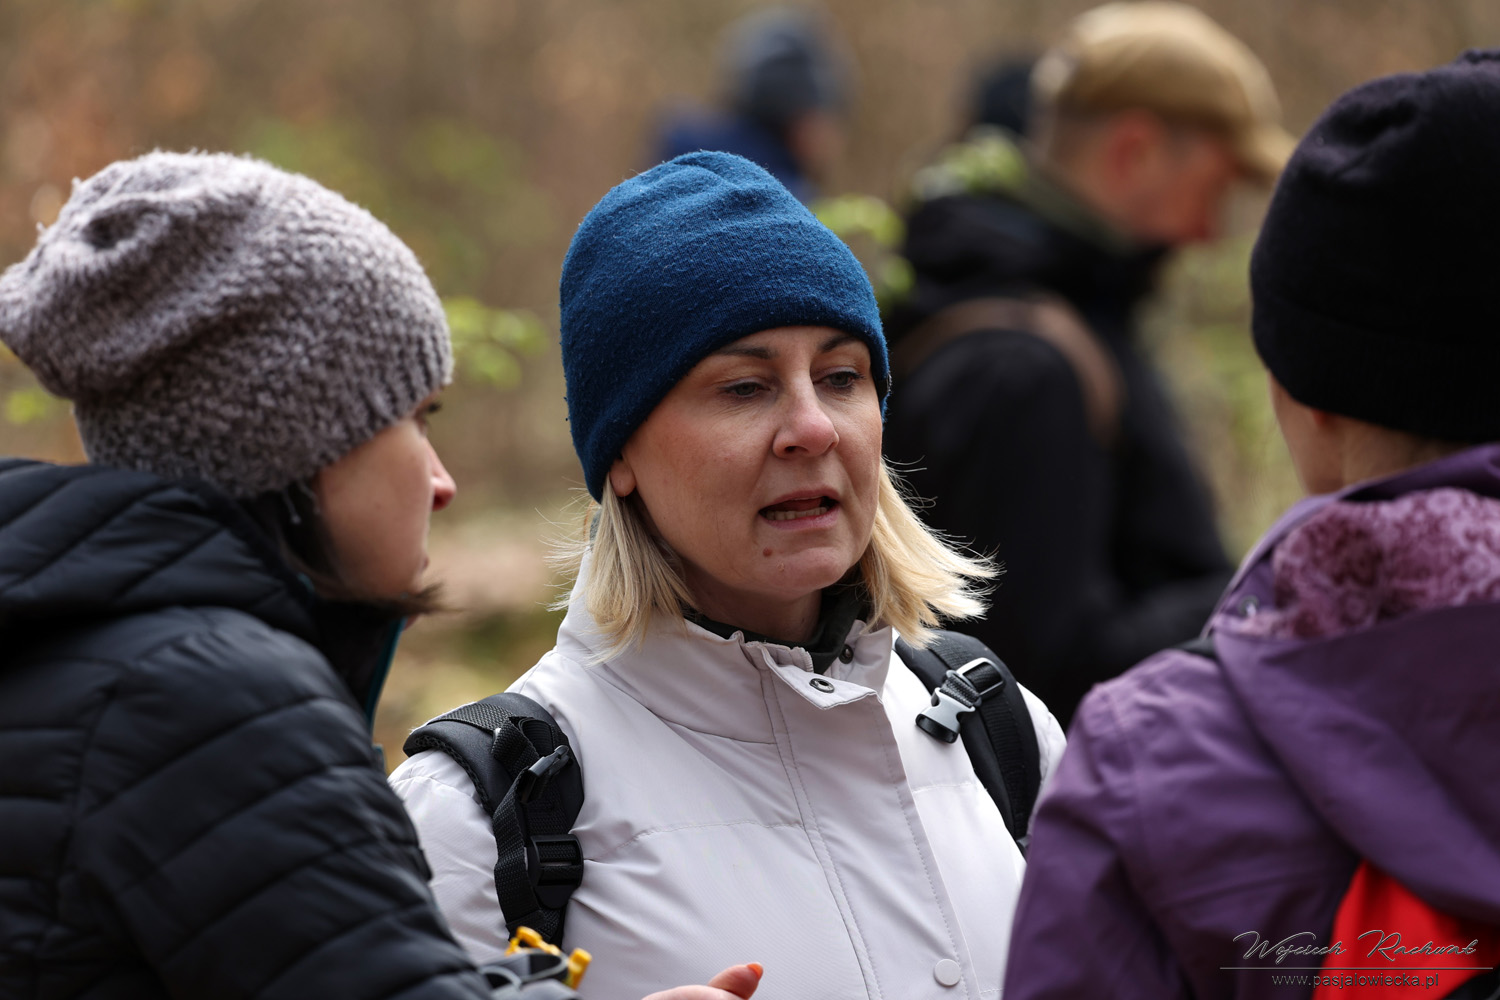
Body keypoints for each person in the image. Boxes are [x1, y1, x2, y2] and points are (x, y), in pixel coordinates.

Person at [0, 151, 758, 1000]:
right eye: (417, 418)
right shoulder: (212, 705)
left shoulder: (74, 656)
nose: (441, 481)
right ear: (295, 443)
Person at [391, 151, 1068, 1000]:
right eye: (745, 388)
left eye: (842, 377)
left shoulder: (999, 732)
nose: (813, 428)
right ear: (621, 453)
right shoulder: (476, 814)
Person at [1004, 51, 1500, 1000]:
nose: (1207, 230)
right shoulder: (1035, 360)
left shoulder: (1151, 766)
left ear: (1301, 394)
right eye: (1220, 185)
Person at [882, 1, 1296, 727]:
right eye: (1214, 187)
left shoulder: (1061, 309)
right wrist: (1270, 588)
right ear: (1135, 151)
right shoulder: (1022, 367)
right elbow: (1036, 682)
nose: (1209, 231)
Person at [653, 7, 850, 202]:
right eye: (822, 114)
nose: (832, 137)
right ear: (797, 118)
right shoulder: (785, 198)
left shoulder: (679, 164)